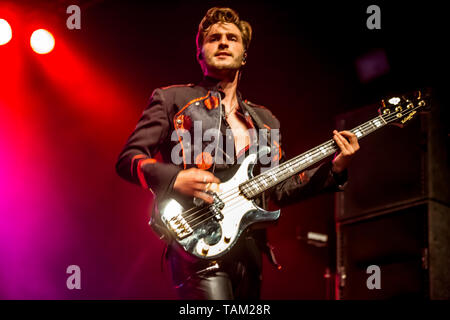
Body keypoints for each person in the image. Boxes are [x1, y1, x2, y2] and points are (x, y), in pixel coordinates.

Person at [116, 7, 360, 299]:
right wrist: (175, 178)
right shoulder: (171, 99)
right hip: (197, 242)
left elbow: (281, 188)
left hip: (250, 249)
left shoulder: (265, 120)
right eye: (213, 38)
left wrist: (335, 168)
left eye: (231, 38)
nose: (222, 42)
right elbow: (129, 158)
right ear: (200, 53)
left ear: (244, 54)